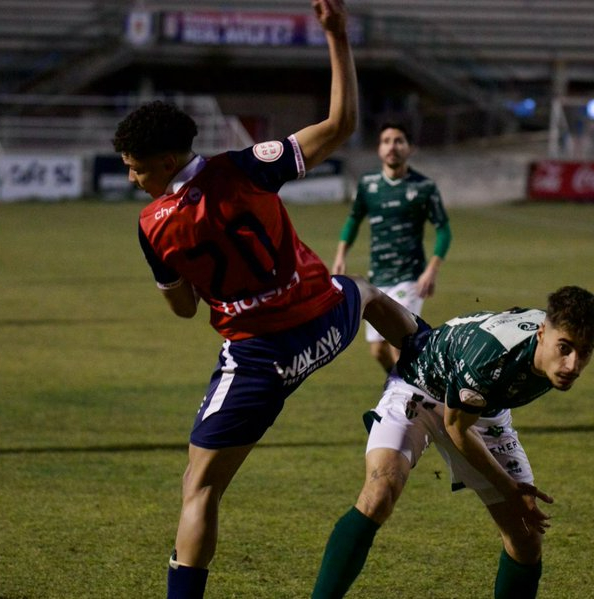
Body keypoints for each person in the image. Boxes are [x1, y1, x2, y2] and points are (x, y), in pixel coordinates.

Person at [111, 3, 420, 598]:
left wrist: (198, 278)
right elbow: (338, 125)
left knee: (199, 488)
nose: (133, 179)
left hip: (257, 360)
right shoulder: (249, 167)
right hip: (325, 322)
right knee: (367, 290)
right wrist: (336, 36)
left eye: (137, 169)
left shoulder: (152, 226)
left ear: (167, 163)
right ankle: (431, 364)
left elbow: (182, 310)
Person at [312, 286, 594, 599]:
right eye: (564, 348)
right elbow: (456, 428)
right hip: (420, 385)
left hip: (481, 407)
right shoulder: (492, 361)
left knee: (526, 540)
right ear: (542, 333)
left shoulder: (542, 338)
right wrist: (510, 489)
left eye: (584, 352)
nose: (573, 365)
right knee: (380, 492)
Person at [331, 122, 452, 372]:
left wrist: (432, 270)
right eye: (386, 141)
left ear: (410, 148)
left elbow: (443, 230)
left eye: (399, 141)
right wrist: (341, 255)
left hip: (410, 276)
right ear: (379, 149)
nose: (392, 147)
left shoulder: (423, 187)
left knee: (401, 343)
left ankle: (408, 397)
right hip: (378, 274)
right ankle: (403, 385)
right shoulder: (369, 184)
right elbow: (354, 219)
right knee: (377, 349)